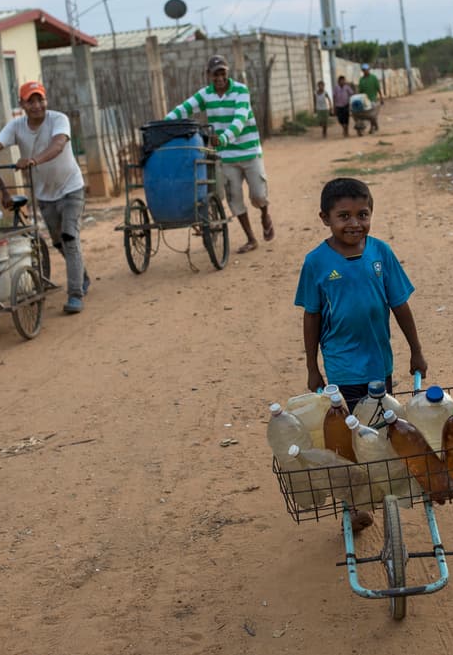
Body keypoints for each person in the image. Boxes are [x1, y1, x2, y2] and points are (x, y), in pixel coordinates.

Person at [0, 80, 90, 314]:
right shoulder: (16, 126)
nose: (37, 105)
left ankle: (75, 293)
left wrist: (33, 160)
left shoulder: (58, 119)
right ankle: (81, 275)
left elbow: (59, 145)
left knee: (69, 237)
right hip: (45, 194)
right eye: (31, 101)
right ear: (22, 104)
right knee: (59, 241)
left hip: (71, 188)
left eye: (41, 99)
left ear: (46, 101)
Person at [295, 177, 426, 413]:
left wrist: (416, 351)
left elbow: (400, 305)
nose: (355, 223)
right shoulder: (315, 262)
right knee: (357, 427)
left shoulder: (380, 252)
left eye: (363, 215)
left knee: (384, 423)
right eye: (344, 216)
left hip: (379, 361)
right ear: (325, 218)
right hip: (342, 366)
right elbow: (312, 316)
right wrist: (312, 368)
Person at [166, 55, 274, 254]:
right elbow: (184, 108)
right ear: (208, 75)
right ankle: (251, 238)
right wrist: (163, 124)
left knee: (259, 195)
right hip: (226, 157)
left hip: (249, 151)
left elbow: (240, 120)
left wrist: (223, 138)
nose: (220, 77)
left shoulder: (241, 90)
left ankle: (265, 214)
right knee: (234, 198)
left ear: (228, 72)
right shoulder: (205, 95)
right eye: (215, 74)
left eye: (222, 72)